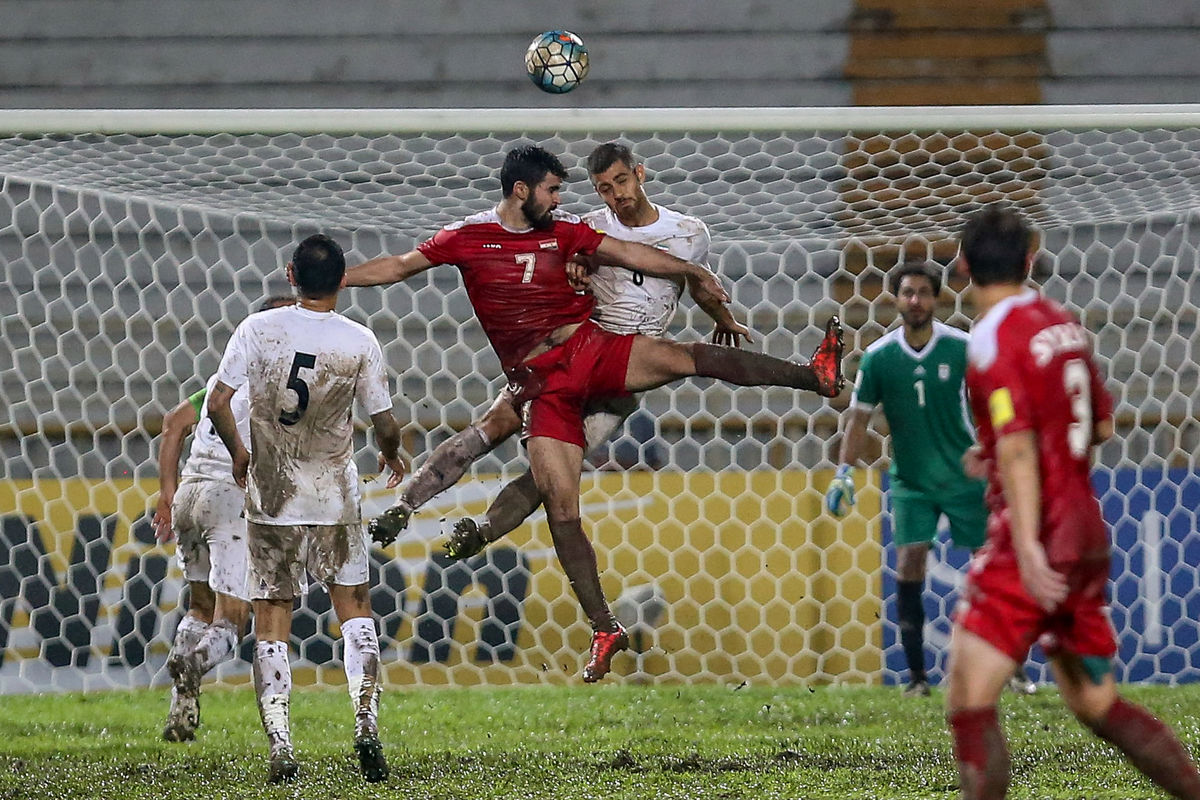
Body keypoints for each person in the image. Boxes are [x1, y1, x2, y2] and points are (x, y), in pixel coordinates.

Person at [347, 144, 844, 684]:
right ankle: (604, 626)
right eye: (553, 190)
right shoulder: (468, 238)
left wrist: (693, 274)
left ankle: (812, 375)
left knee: (690, 358)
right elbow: (398, 267)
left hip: (593, 348)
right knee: (560, 506)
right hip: (543, 388)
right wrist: (335, 283)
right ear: (521, 191)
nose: (562, 200)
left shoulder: (565, 232)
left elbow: (633, 256)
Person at [364, 141, 749, 564]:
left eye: (621, 181)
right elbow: (577, 262)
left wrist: (722, 315)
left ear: (640, 174)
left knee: (554, 472)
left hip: (624, 368)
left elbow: (682, 278)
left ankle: (481, 531)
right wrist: (576, 270)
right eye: (604, 187)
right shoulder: (584, 225)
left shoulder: (688, 232)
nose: (615, 193)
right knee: (492, 427)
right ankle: (404, 506)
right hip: (575, 349)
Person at [945, 205, 1200, 799]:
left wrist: (1030, 547)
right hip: (1086, 527)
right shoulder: (1062, 323)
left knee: (968, 700)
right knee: (1095, 701)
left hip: (1036, 533)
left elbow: (1017, 450)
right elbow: (1101, 426)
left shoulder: (991, 338)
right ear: (1031, 258)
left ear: (961, 266)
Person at [208, 234, 406, 784]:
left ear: (290, 274)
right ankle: (365, 721)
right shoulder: (359, 341)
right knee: (355, 610)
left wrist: (241, 453)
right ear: (343, 281)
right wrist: (391, 453)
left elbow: (217, 402)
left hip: (272, 496)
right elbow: (384, 420)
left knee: (272, 618)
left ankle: (281, 746)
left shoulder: (256, 329)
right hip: (335, 495)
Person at [825, 262, 1035, 698]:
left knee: (992, 569)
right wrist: (844, 471)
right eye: (908, 293)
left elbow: (994, 399)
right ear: (896, 299)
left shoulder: (962, 348)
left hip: (965, 476)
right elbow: (858, 420)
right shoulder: (879, 357)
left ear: (937, 299)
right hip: (911, 482)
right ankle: (918, 679)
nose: (915, 300)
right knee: (909, 564)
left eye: (923, 292)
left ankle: (1013, 669)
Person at [152, 295, 293, 742]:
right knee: (232, 619)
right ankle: (193, 663)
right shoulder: (281, 385)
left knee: (198, 607)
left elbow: (173, 422)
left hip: (190, 492)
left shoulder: (221, 380)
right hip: (229, 499)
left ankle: (180, 713)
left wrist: (167, 494)